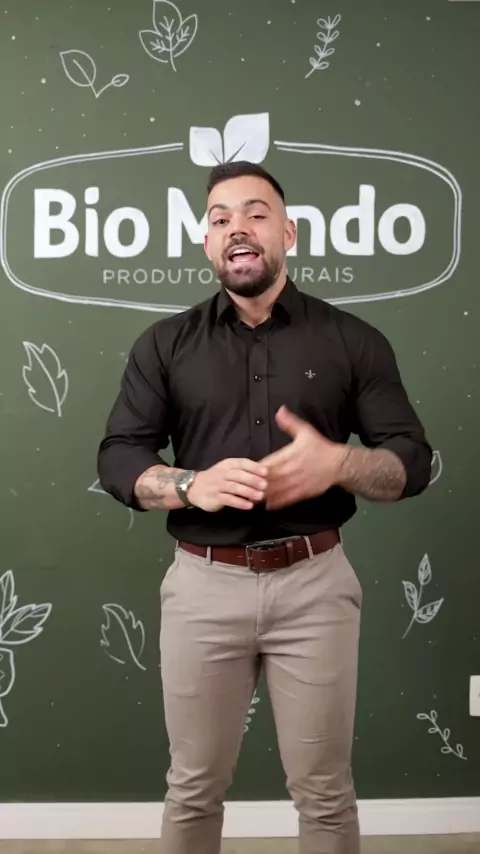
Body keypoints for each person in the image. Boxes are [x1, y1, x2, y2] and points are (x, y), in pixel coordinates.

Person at [97, 160, 432, 854]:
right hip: (201, 585)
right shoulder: (164, 344)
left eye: (255, 213)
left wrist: (338, 463)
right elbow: (119, 455)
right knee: (193, 788)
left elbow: (412, 461)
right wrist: (189, 484)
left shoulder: (353, 340)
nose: (237, 229)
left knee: (326, 794)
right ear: (206, 242)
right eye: (220, 219)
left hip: (316, 585)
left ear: (289, 232)